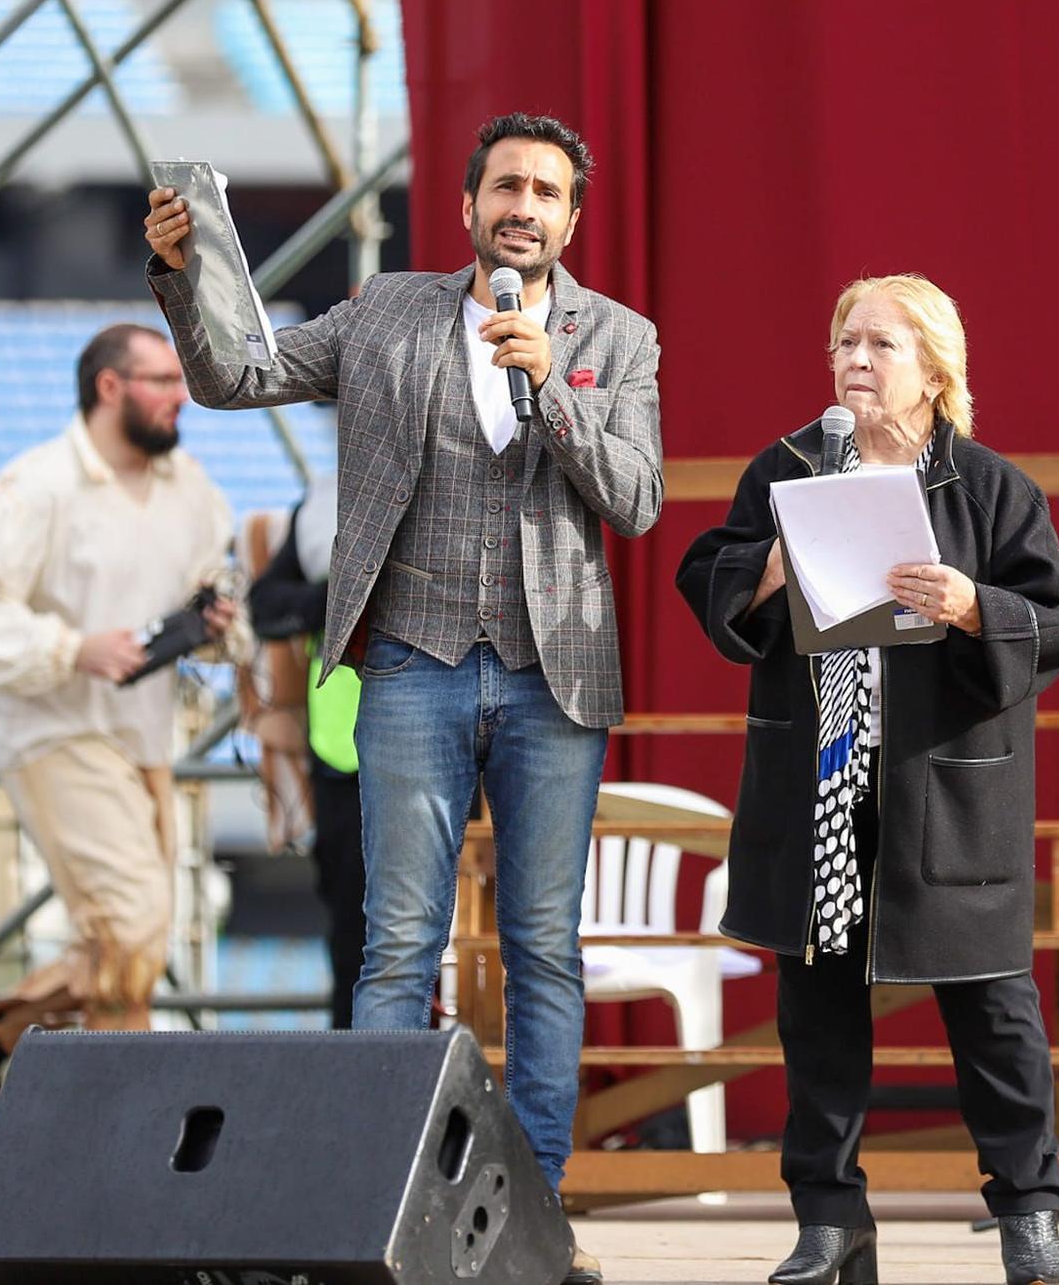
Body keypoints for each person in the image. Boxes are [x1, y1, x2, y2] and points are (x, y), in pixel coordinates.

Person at [143, 112, 661, 1285]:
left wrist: (554, 393)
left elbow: (632, 500)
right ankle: (362, 1211)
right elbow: (237, 377)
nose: (522, 206)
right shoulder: (384, 311)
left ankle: (533, 1220)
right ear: (469, 205)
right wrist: (182, 275)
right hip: (413, 662)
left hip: (550, 672)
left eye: (545, 191)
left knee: (541, 950)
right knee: (397, 948)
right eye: (503, 187)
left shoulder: (615, 337)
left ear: (572, 218)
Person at [678, 275, 1059, 1285]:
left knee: (992, 1011)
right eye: (842, 342)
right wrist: (765, 569)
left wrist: (969, 605)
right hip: (816, 776)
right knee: (816, 1013)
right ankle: (827, 1221)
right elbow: (710, 572)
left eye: (879, 344)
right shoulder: (784, 468)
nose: (854, 361)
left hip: (944, 789)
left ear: (935, 368)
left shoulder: (991, 488)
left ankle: (1027, 1212)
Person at [0, 322, 248, 1148]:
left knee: (129, 941)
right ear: (110, 387)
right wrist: (73, 648)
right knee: (134, 924)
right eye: (162, 381)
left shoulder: (190, 488)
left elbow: (215, 585)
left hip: (144, 735)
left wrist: (211, 620)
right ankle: (128, 1148)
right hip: (55, 729)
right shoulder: (36, 486)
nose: (182, 396)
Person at [246, 468, 366, 1029]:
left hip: (455, 759)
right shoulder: (328, 496)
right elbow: (266, 604)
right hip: (345, 759)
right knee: (355, 949)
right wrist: (339, 598)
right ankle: (361, 1101)